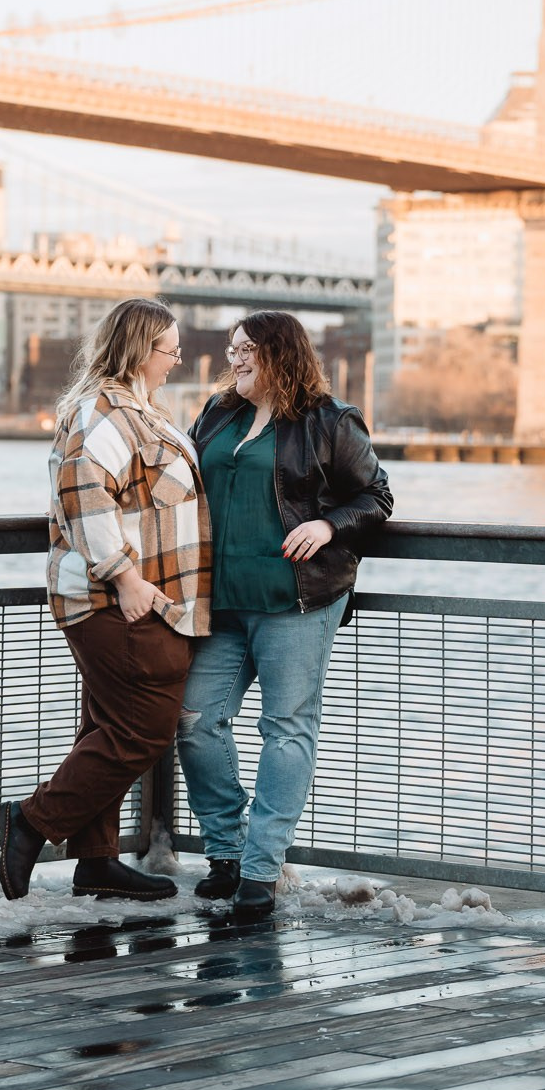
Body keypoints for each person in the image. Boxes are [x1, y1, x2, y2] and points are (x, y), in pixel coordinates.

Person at [177, 310, 393, 915]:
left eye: (245, 349)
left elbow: (376, 496)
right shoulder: (219, 414)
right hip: (221, 601)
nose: (233, 359)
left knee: (286, 729)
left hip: (298, 600)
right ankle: (227, 849)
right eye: (230, 349)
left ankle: (260, 870)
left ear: (279, 353)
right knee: (194, 720)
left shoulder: (331, 421)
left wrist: (329, 523)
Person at [0, 298, 210, 902]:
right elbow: (83, 492)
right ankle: (32, 821)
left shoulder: (141, 412)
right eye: (169, 349)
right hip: (119, 599)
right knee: (145, 730)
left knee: (106, 726)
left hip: (145, 598)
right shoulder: (105, 415)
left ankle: (97, 861)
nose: (176, 359)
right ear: (140, 351)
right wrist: (123, 577)